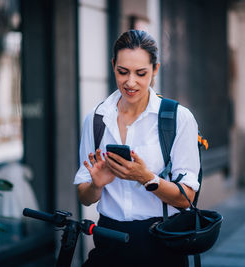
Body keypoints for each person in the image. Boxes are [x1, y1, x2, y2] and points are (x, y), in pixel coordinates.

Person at [74, 30, 200, 267]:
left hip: (162, 243)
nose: (130, 82)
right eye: (123, 72)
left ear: (155, 70)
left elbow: (187, 199)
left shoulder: (177, 119)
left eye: (141, 73)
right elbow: (84, 197)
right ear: (113, 66)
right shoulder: (96, 119)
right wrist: (96, 185)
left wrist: (146, 178)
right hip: (109, 239)